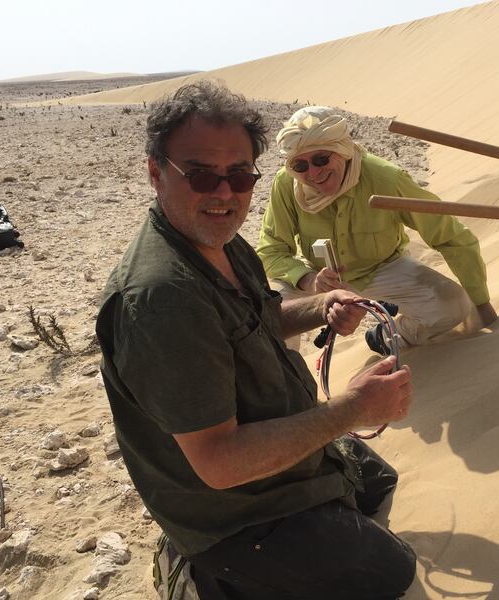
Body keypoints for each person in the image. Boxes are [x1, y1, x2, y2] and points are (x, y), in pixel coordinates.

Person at [95, 81, 417, 600]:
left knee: (376, 484)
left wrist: (321, 306)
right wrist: (350, 409)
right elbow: (219, 463)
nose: (224, 193)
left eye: (239, 175)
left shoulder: (217, 241)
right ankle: (201, 576)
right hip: (234, 510)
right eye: (200, 175)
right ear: (156, 172)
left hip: (274, 452)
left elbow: (260, 320)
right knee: (389, 574)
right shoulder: (162, 299)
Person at [257, 106, 497, 353]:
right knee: (271, 314)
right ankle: (291, 383)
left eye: (321, 159)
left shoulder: (386, 179)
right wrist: (309, 281)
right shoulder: (286, 184)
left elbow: (450, 235)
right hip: (319, 280)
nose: (313, 173)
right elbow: (270, 250)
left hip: (381, 269)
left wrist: (482, 303)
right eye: (300, 165)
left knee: (454, 305)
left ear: (342, 150)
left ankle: (388, 336)